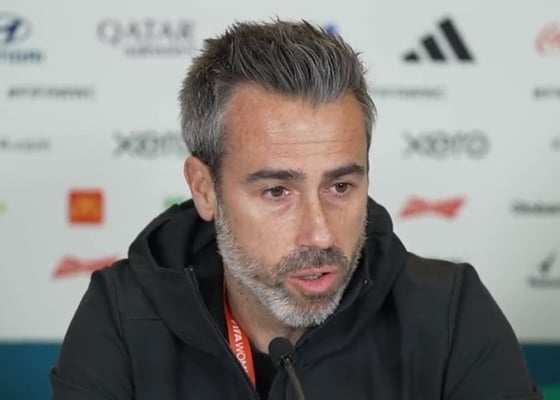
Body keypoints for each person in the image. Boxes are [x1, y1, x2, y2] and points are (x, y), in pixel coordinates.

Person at [50, 19, 542, 400]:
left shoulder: (450, 315)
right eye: (276, 192)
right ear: (204, 189)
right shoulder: (123, 314)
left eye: (340, 186)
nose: (320, 234)